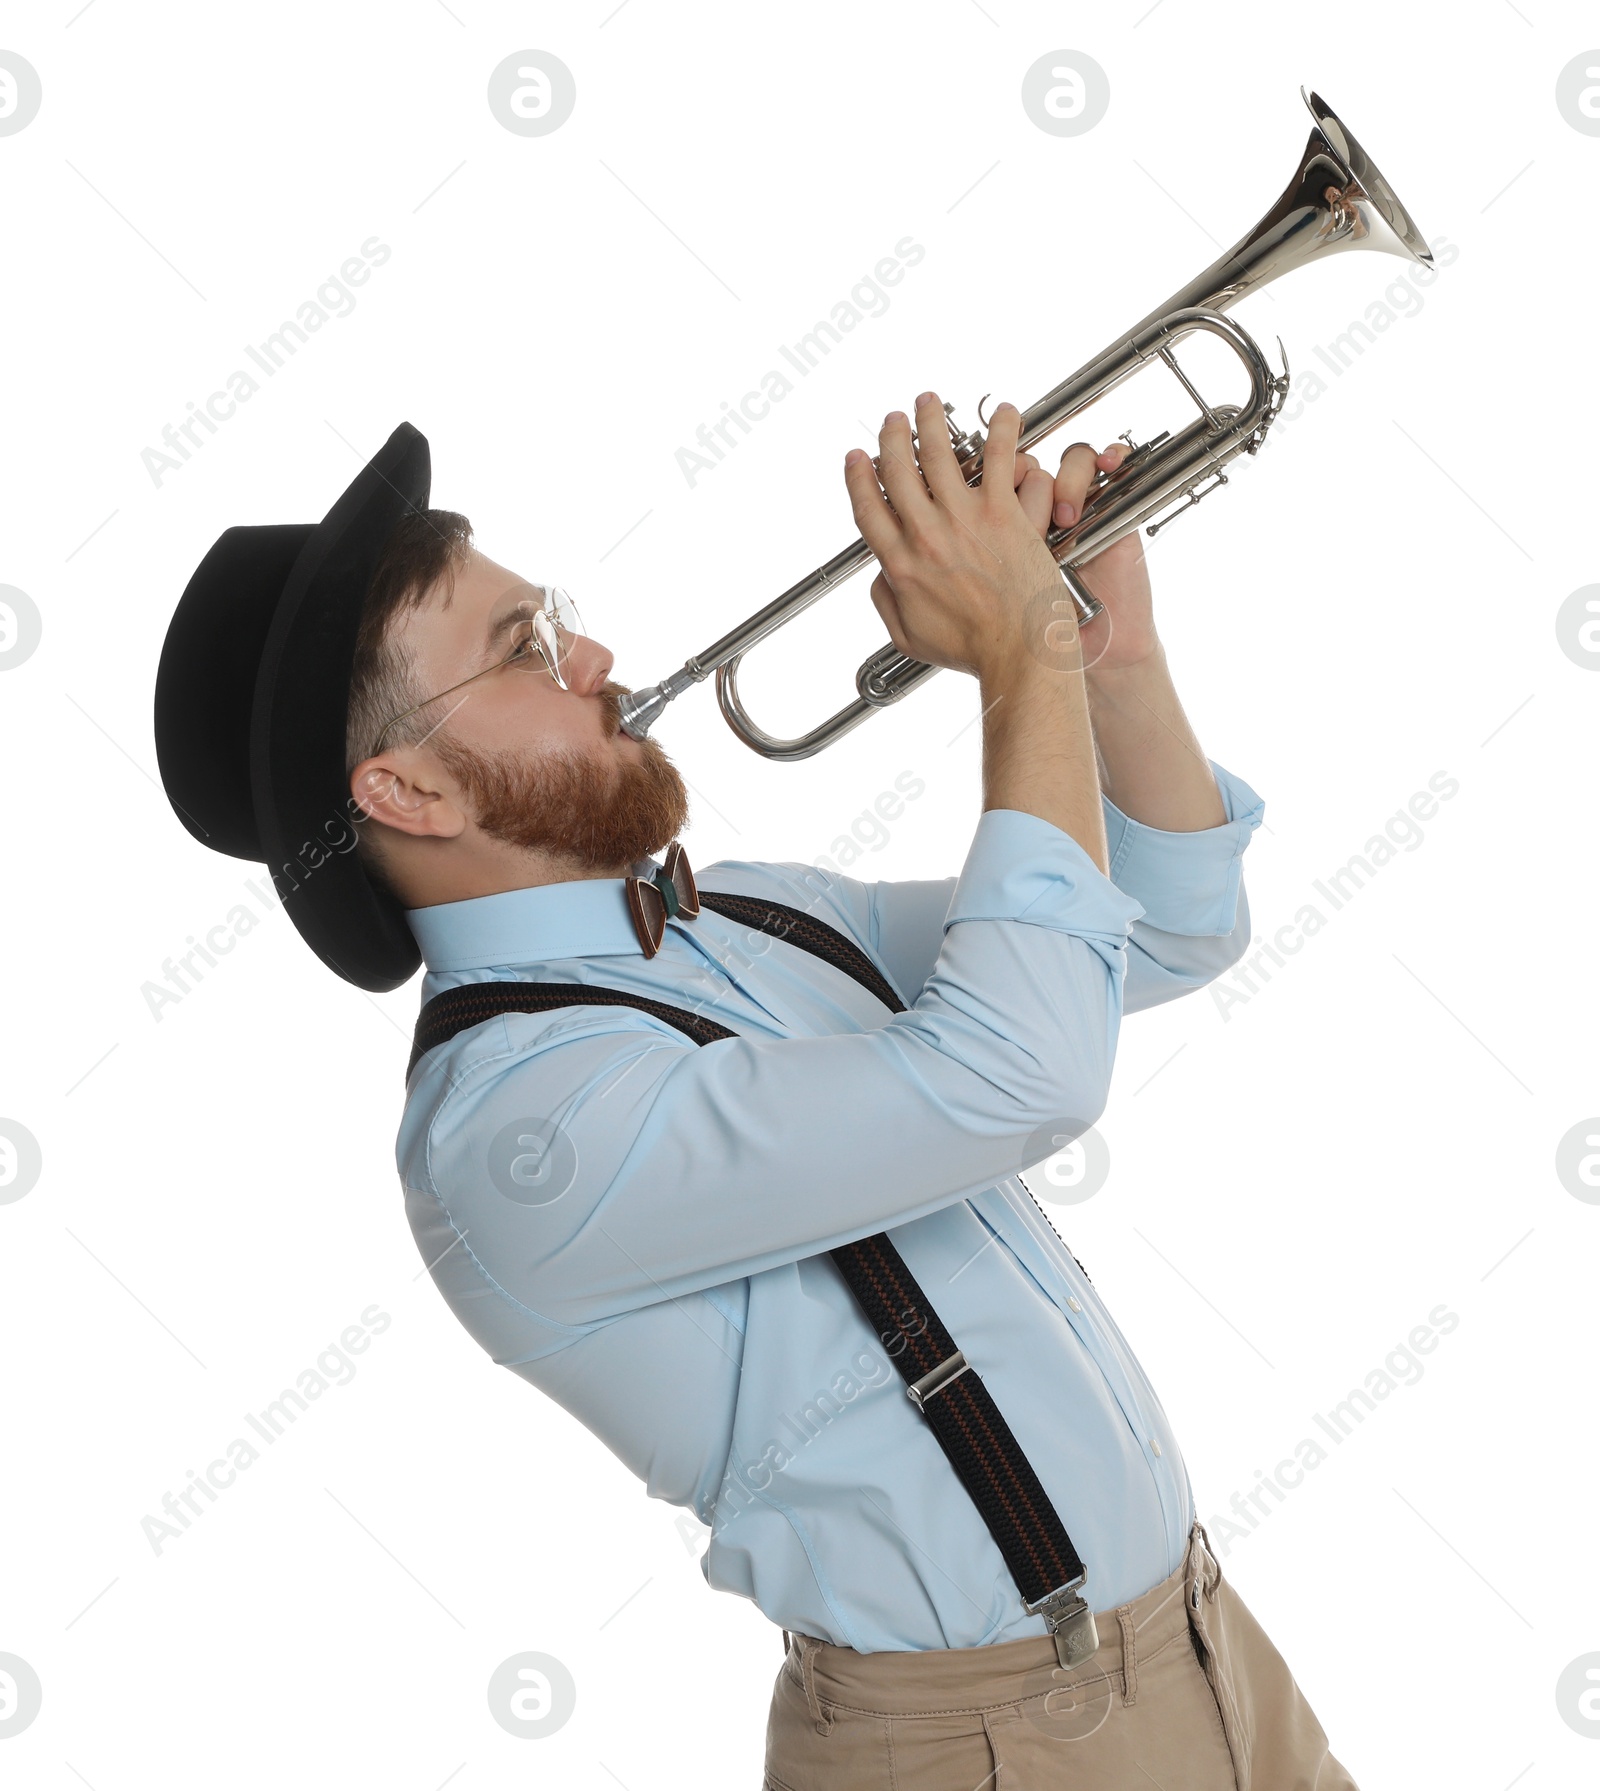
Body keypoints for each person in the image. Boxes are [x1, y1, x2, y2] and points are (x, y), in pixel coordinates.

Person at [155, 404, 1356, 1789]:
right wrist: (1014, 654)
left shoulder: (752, 917)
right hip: (989, 1748)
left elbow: (1158, 926)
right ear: (408, 786)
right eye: (524, 649)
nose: (593, 658)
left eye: (558, 620)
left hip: (1212, 1656)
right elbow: (1024, 1069)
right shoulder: (514, 1132)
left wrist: (1102, 656)